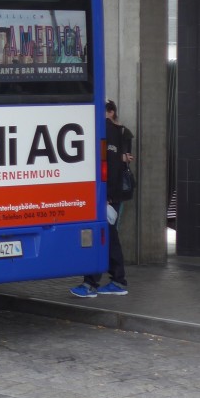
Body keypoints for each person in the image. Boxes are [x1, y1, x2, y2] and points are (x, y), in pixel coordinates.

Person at [71, 99, 134, 297]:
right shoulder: (116, 130)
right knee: (108, 236)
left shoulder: (104, 129)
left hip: (106, 195)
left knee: (102, 237)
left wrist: (105, 196)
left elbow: (111, 166)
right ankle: (115, 281)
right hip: (110, 194)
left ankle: (93, 284)